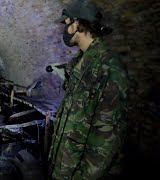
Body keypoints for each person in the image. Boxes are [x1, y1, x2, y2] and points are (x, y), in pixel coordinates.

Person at [47, 1, 129, 179]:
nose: (65, 28)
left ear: (76, 24)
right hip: (64, 167)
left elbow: (104, 143)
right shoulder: (79, 63)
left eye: (66, 23)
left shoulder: (109, 69)